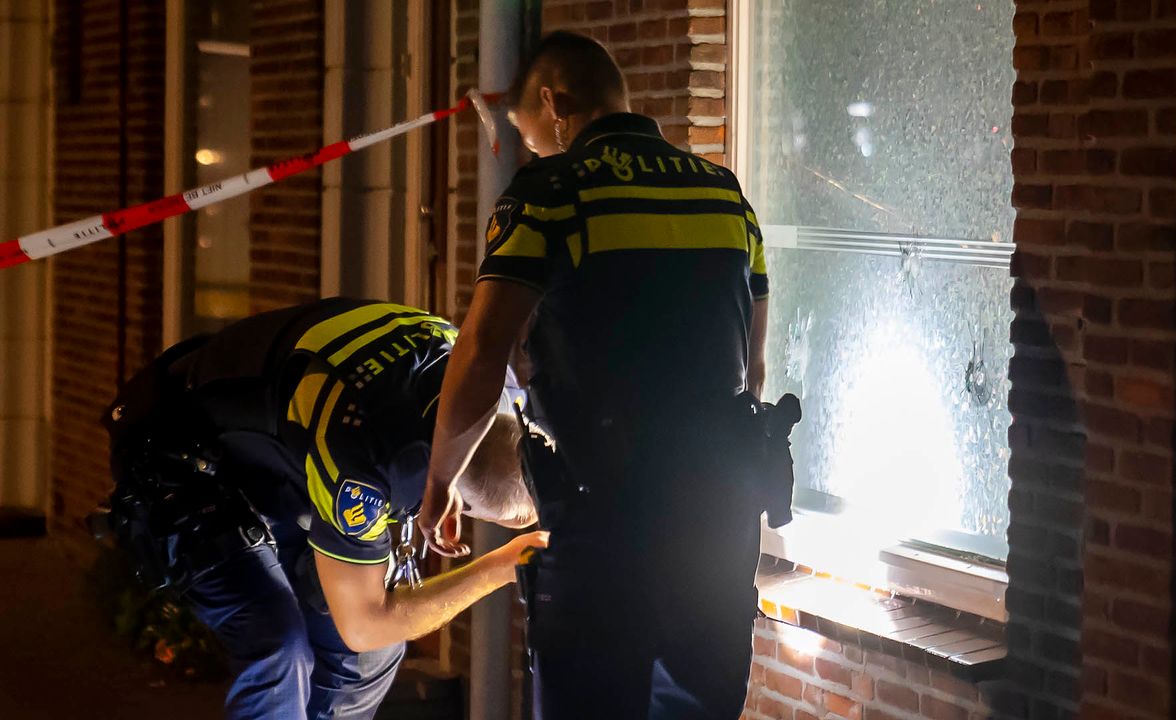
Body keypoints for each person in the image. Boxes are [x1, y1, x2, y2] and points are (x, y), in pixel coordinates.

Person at [418, 31, 771, 720]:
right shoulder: (725, 197)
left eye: (531, 136)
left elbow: (484, 350)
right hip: (718, 526)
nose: (536, 151)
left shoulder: (553, 192)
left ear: (553, 103)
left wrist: (440, 481)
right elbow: (750, 370)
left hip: (605, 524)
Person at [101, 298, 546, 720]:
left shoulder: (495, 388)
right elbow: (364, 623)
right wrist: (504, 566)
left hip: (282, 455)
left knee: (368, 654)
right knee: (278, 643)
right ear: (452, 504)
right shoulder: (365, 465)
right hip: (182, 461)